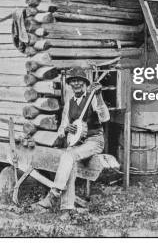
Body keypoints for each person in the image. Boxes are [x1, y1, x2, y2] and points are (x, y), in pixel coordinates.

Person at [35, 67, 110, 214]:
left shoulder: (93, 97)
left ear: (85, 83)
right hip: (76, 143)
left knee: (68, 156)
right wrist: (66, 130)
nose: (76, 84)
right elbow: (62, 128)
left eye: (79, 81)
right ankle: (67, 208)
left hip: (94, 141)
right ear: (70, 84)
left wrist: (99, 95)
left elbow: (105, 118)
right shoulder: (70, 103)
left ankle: (53, 195)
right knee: (69, 161)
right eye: (73, 81)